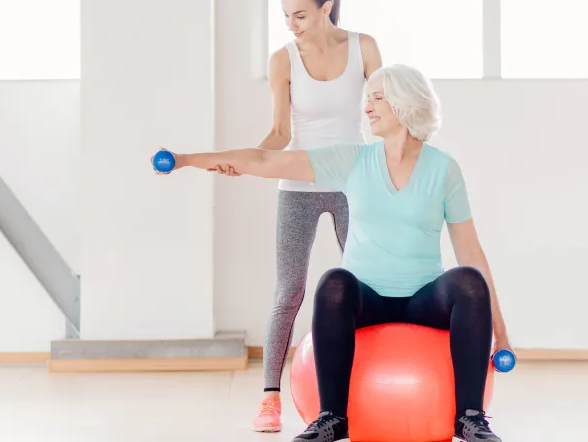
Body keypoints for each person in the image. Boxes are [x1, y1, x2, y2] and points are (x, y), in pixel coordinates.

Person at [151, 63, 511, 442]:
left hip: (424, 299)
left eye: (377, 97)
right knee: (334, 282)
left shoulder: (443, 169)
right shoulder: (353, 160)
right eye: (366, 98)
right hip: (366, 297)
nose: (367, 106)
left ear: (404, 102)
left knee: (468, 282)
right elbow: (266, 161)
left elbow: (471, 252)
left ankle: (470, 417)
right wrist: (188, 159)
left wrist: (501, 336)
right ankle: (332, 417)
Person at [214, 0, 382, 433]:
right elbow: (281, 133)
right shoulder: (283, 59)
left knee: (366, 287)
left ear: (326, 8)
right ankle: (270, 399)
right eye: (286, 16)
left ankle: (365, 386)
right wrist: (246, 159)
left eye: (301, 15)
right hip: (298, 187)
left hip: (353, 182)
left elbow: (384, 111)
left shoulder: (364, 48)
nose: (292, 24)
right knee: (288, 292)